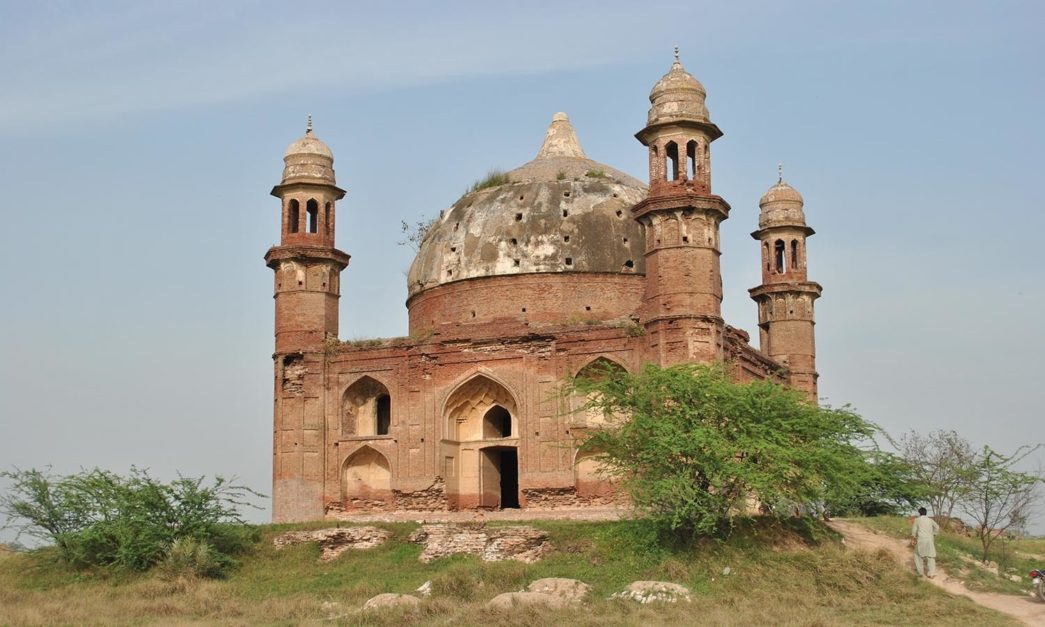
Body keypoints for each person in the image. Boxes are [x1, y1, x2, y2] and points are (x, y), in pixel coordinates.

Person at [911, 507, 940, 578]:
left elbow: (914, 530)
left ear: (919, 513)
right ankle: (931, 574)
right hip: (930, 540)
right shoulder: (930, 520)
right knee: (931, 556)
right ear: (926, 513)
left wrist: (913, 538)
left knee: (917, 555)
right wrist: (934, 534)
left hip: (921, 539)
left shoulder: (917, 520)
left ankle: (920, 572)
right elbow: (937, 527)